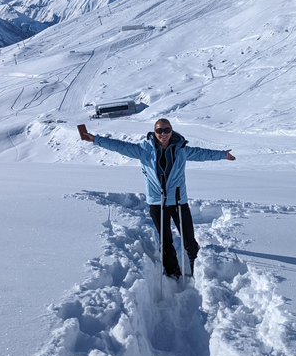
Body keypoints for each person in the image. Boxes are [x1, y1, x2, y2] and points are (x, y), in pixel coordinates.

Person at [78, 119, 235, 278]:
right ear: (154, 133)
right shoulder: (143, 150)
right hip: (156, 203)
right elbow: (120, 146)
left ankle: (199, 272)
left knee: (189, 240)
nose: (163, 134)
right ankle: (173, 274)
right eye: (159, 131)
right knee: (165, 241)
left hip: (179, 201)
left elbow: (203, 153)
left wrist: (223, 154)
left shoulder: (181, 149)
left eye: (167, 130)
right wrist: (96, 140)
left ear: (171, 131)